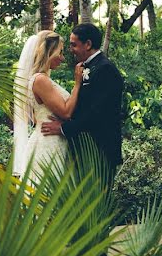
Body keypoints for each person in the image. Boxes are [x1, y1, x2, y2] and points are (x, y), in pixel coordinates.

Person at [41, 23, 124, 180]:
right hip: (85, 149)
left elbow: (97, 113)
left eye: (74, 45)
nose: (70, 50)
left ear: (88, 44)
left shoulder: (105, 69)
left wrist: (64, 128)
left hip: (100, 150)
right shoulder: (88, 67)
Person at [12, 30, 84, 180]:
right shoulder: (40, 80)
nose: (62, 58)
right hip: (48, 143)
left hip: (54, 139)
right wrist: (77, 84)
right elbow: (65, 112)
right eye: (60, 52)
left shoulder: (41, 79)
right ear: (49, 52)